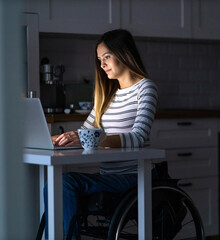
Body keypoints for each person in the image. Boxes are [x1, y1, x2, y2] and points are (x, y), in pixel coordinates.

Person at [43, 29, 158, 239]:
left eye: (107, 57)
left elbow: (138, 137)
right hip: (108, 176)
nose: (102, 64)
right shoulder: (107, 95)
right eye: (99, 59)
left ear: (125, 53)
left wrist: (93, 138)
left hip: (132, 176)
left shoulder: (145, 88)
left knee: (64, 183)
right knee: (53, 184)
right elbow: (85, 132)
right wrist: (61, 139)